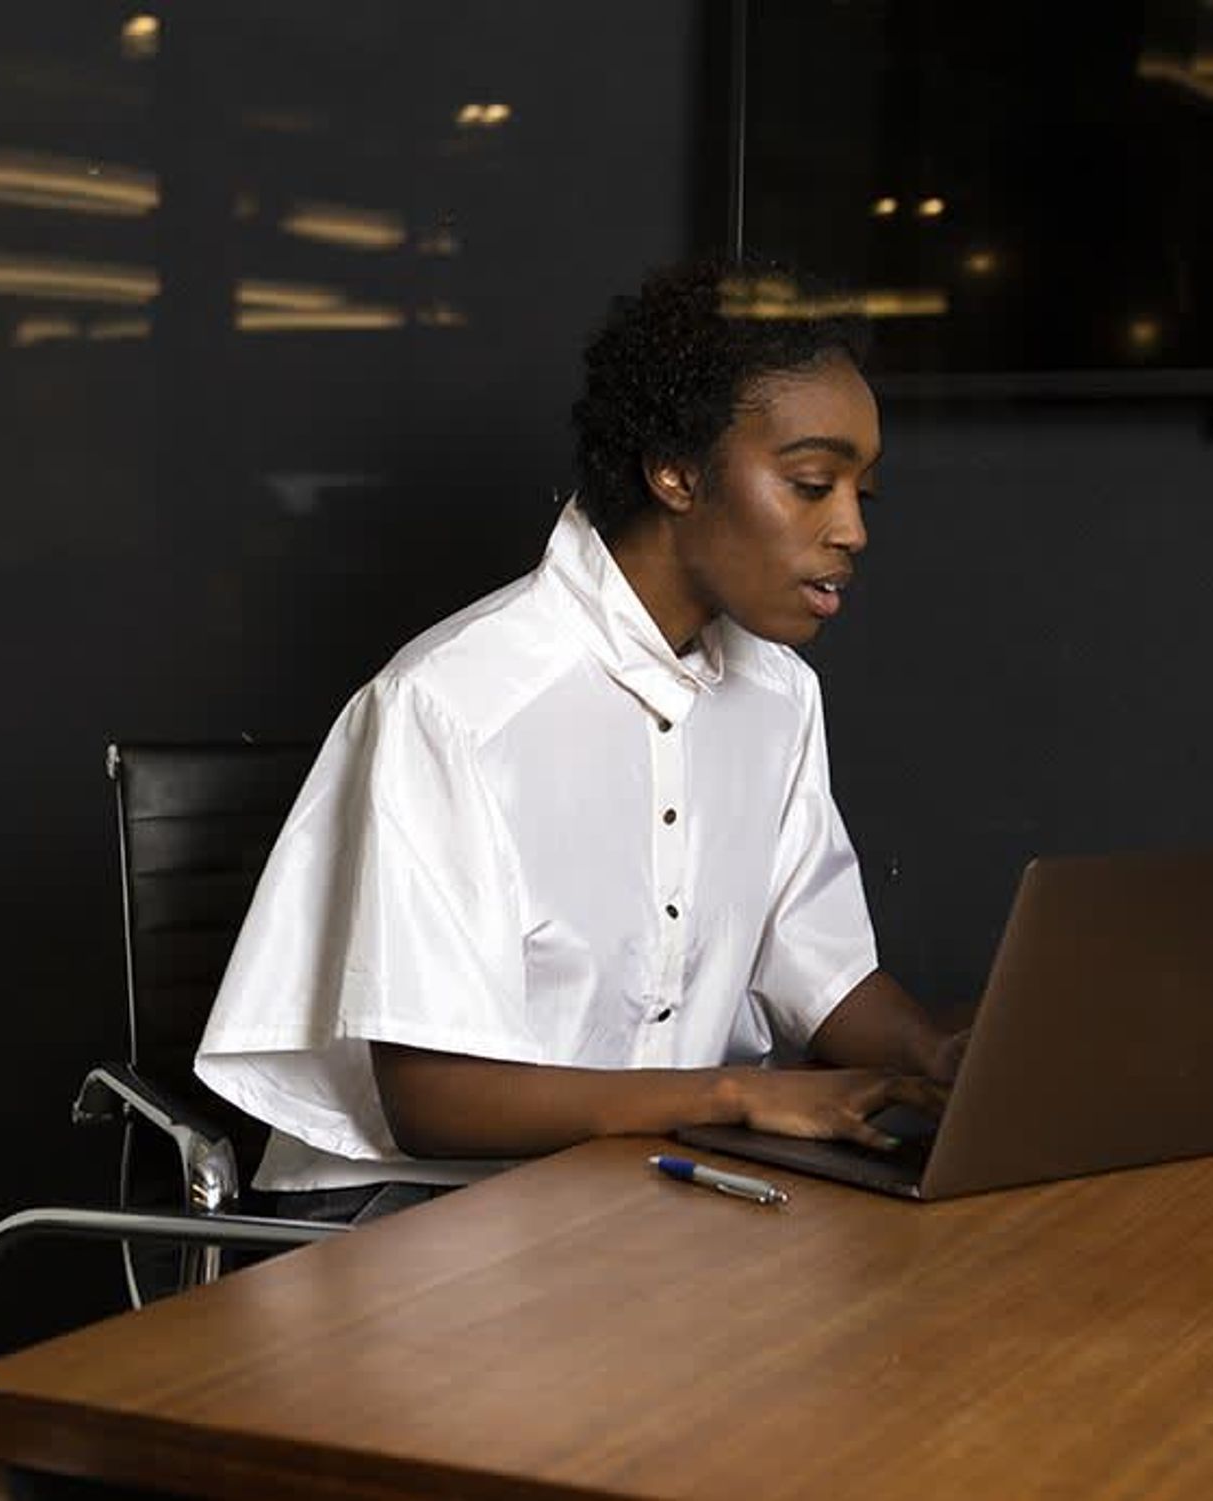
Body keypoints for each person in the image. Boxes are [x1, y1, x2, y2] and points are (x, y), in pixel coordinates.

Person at [195, 260, 967, 1220]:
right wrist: (734, 1095)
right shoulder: (453, 702)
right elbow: (435, 1099)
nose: (851, 528)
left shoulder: (781, 696)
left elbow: (818, 965)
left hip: (643, 1190)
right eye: (812, 483)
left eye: (863, 492)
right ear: (675, 471)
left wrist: (943, 1059)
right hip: (406, 1214)